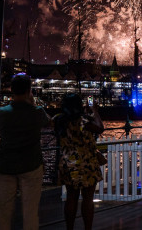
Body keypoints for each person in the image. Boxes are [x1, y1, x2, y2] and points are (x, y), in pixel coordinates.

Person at [0, 73, 51, 230]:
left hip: (6, 166)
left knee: (3, 212)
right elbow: (49, 122)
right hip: (31, 165)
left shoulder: (1, 113)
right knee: (30, 212)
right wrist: (32, 104)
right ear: (29, 90)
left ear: (12, 90)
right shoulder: (37, 112)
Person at [54, 93, 104, 230]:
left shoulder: (59, 120)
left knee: (71, 197)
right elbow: (100, 128)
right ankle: (87, 228)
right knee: (87, 198)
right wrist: (95, 111)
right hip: (86, 162)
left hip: (68, 162)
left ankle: (69, 227)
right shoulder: (82, 121)